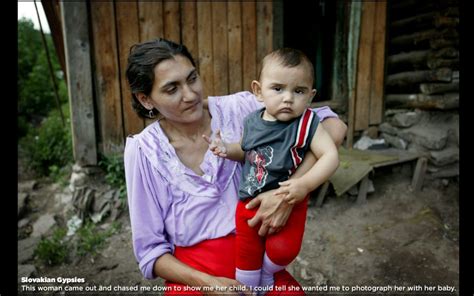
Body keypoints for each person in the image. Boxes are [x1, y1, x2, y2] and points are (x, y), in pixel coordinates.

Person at [124, 38, 347, 295]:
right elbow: (150, 253)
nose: (190, 94)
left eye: (192, 78)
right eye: (172, 89)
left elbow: (334, 127)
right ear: (146, 99)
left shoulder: (243, 109)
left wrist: (285, 194)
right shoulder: (144, 152)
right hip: (195, 279)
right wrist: (208, 284)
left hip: (260, 263)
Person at [203, 48, 339, 293]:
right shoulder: (253, 121)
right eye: (278, 89)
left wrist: (305, 184)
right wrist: (225, 148)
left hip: (290, 199)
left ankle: (267, 273)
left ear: (311, 95)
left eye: (298, 91)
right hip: (248, 203)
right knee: (246, 256)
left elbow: (330, 156)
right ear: (258, 91)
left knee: (283, 250)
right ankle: (250, 287)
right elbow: (245, 151)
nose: (288, 98)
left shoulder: (307, 123)